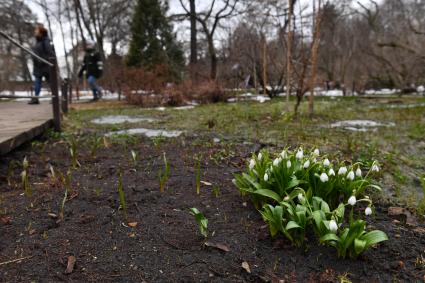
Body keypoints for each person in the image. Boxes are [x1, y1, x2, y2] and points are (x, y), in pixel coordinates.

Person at [29, 24, 54, 105]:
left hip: (45, 65)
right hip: (38, 66)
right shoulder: (37, 41)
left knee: (50, 82)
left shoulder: (45, 41)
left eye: (37, 31)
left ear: (41, 33)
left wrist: (46, 61)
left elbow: (50, 52)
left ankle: (54, 98)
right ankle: (36, 98)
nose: (35, 32)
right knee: (37, 82)